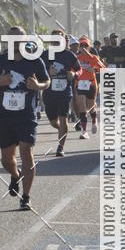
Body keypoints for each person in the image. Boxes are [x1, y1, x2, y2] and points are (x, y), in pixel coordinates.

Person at [0, 26, 50, 211]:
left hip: (26, 115)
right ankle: (14, 174)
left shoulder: (34, 61)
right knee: (6, 160)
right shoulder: (0, 61)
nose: (16, 43)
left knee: (26, 151)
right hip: (4, 117)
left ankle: (26, 196)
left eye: (20, 39)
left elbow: (47, 81)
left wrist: (38, 85)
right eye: (13, 39)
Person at [41, 29, 80, 157]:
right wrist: (47, 72)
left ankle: (60, 147)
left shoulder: (69, 55)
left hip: (64, 92)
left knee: (63, 119)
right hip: (49, 92)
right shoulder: (45, 55)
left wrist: (74, 74)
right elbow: (37, 72)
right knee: (53, 121)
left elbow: (79, 70)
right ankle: (62, 130)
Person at [73, 37, 105, 139]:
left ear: (89, 47)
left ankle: (94, 121)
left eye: (85, 45)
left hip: (91, 84)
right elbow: (71, 69)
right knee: (82, 106)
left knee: (91, 106)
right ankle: (84, 130)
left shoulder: (94, 57)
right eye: (81, 45)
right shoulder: (76, 58)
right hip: (80, 84)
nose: (83, 47)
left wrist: (90, 60)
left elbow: (103, 68)